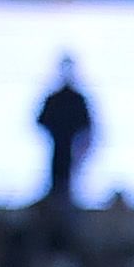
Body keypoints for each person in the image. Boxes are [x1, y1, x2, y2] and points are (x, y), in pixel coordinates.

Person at [35, 59, 96, 206]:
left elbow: (87, 127)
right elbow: (40, 121)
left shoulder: (77, 99)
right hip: (57, 152)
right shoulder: (54, 99)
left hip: (74, 154)